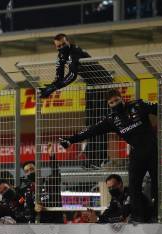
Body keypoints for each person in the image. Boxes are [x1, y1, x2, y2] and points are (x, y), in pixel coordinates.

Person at [59, 89, 162, 222]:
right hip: (136, 155)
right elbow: (91, 131)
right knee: (134, 187)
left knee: (157, 185)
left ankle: (158, 216)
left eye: (116, 100)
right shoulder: (111, 120)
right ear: (108, 105)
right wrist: (70, 140)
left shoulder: (138, 105)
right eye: (111, 102)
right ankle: (137, 218)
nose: (114, 103)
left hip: (153, 152)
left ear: (122, 98)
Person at [40, 34, 113, 167]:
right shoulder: (61, 56)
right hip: (91, 85)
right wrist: (50, 88)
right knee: (89, 122)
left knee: (99, 122)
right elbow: (59, 77)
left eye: (63, 44)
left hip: (103, 84)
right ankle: (92, 158)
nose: (61, 47)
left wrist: (52, 89)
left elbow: (72, 75)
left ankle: (101, 158)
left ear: (68, 41)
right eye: (58, 46)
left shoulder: (75, 52)